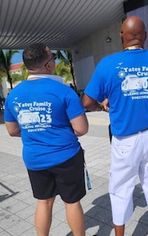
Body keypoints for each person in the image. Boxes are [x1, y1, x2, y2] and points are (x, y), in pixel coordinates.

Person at [83, 16, 148, 236]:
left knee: (120, 189)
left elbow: (87, 102)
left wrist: (103, 105)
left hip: (124, 141)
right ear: (144, 36)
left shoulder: (108, 64)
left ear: (121, 37)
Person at [4, 43, 88, 236]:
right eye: (53, 58)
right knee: (72, 202)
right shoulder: (63, 90)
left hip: (35, 158)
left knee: (44, 201)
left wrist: (35, 132)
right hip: (66, 156)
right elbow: (82, 129)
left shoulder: (14, 95)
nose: (55, 62)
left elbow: (12, 130)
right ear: (47, 65)